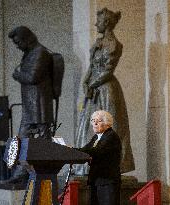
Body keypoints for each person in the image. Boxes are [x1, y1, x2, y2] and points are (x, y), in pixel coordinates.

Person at [75, 8, 134, 175]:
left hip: (106, 89)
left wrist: (92, 84)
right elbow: (92, 67)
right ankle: (85, 165)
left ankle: (111, 165)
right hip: (93, 89)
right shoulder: (98, 43)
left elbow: (108, 70)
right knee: (87, 126)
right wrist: (86, 83)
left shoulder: (114, 44)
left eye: (99, 21)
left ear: (106, 23)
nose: (96, 24)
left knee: (110, 128)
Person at [1, 26, 55, 184]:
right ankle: (21, 173)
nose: (17, 46)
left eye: (18, 42)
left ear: (26, 38)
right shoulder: (29, 54)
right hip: (30, 107)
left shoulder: (40, 53)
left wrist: (17, 74)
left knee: (44, 141)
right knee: (21, 140)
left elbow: (32, 77)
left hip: (40, 106)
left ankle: (45, 172)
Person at [79, 110, 122, 205]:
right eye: (93, 120)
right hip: (97, 180)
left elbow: (96, 151)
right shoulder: (96, 137)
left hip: (107, 181)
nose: (94, 123)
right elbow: (85, 149)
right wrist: (72, 151)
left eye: (98, 121)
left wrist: (75, 151)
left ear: (107, 123)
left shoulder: (111, 136)